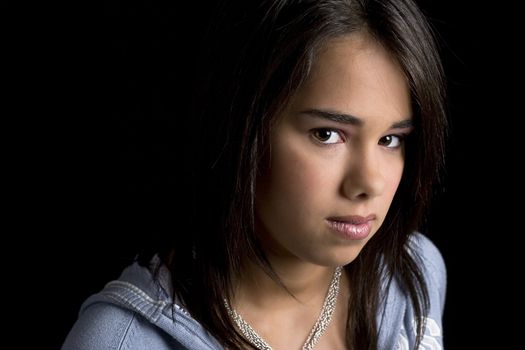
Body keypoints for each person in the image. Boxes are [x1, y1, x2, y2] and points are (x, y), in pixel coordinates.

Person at [62, 0, 447, 349]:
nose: (370, 184)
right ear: (242, 126)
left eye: (391, 139)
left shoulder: (413, 275)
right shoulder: (121, 342)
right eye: (327, 135)